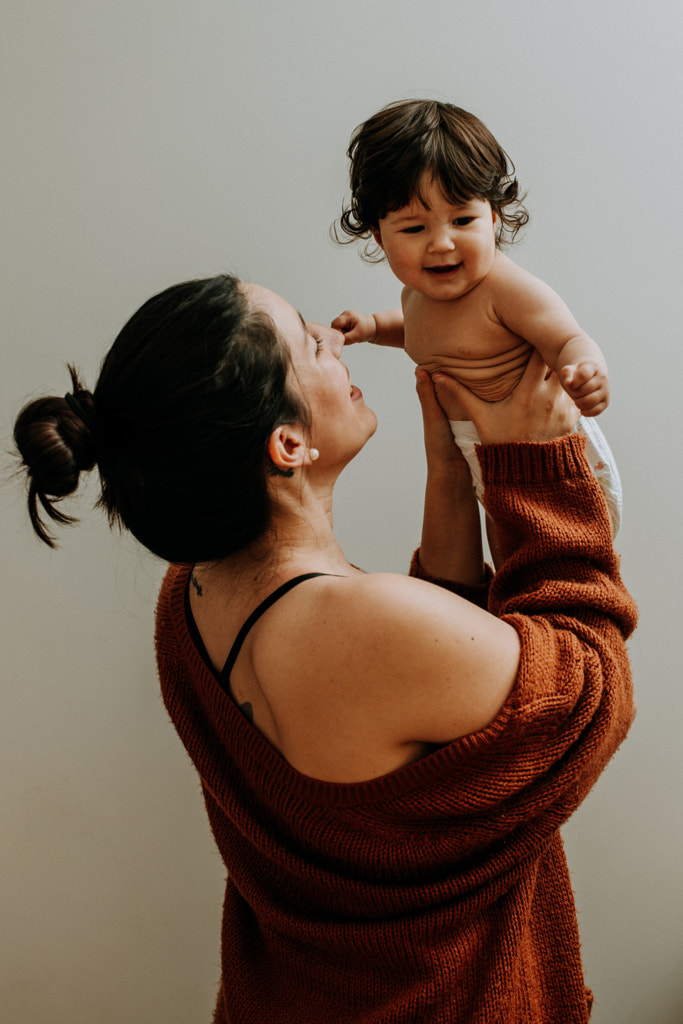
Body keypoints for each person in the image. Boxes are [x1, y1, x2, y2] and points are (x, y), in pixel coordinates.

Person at [13, 273, 636, 1023]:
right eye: (312, 343)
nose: (337, 346)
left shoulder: (190, 596)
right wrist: (539, 471)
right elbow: (591, 691)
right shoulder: (362, 628)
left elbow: (427, 695)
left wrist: (446, 474)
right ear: (287, 444)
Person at [333, 98, 622, 536]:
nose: (442, 244)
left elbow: (567, 338)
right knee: (508, 555)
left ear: (493, 215)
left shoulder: (506, 289)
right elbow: (418, 328)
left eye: (462, 219)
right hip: (481, 457)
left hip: (549, 458)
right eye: (414, 229)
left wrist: (587, 370)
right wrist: (374, 327)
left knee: (550, 547)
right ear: (378, 235)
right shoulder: (417, 294)